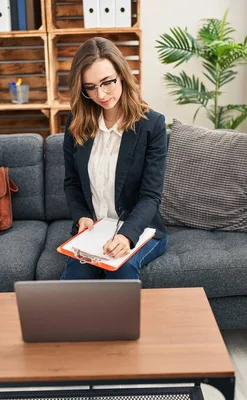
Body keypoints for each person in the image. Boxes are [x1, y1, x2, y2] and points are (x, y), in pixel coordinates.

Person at [61, 37, 168, 280]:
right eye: (90, 87)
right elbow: (72, 182)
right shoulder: (76, 122)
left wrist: (126, 235)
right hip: (93, 232)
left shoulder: (152, 125)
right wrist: (81, 217)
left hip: (139, 230)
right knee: (75, 278)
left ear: (121, 74)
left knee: (123, 269)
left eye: (107, 82)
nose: (100, 94)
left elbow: (150, 196)